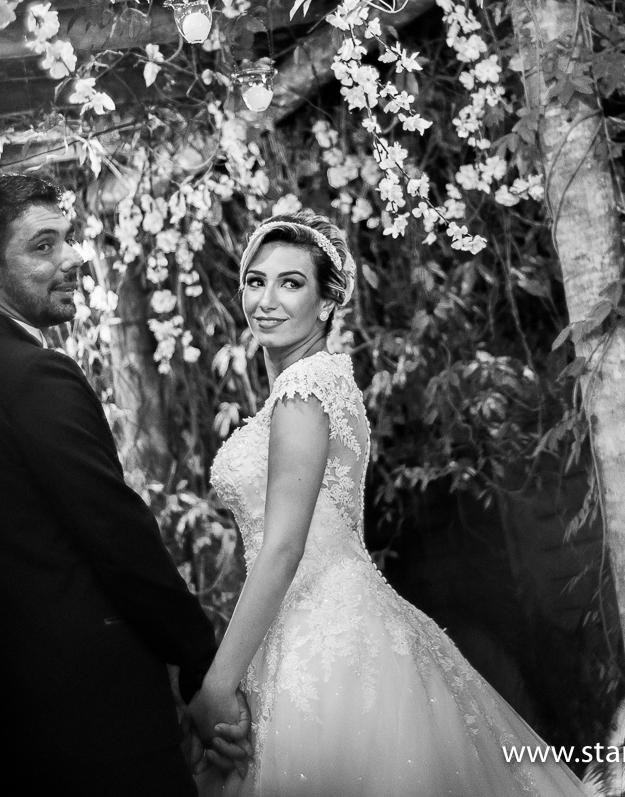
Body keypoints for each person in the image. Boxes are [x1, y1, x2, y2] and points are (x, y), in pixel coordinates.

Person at [188, 210, 589, 796]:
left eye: (290, 282)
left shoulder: (303, 392)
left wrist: (216, 687)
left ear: (326, 303)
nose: (266, 299)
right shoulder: (326, 384)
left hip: (323, 637)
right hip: (326, 621)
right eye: (256, 280)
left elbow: (284, 546)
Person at [0, 174, 248, 793]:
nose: (71, 259)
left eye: (68, 239)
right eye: (42, 246)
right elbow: (118, 539)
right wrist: (202, 665)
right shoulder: (35, 375)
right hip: (96, 723)